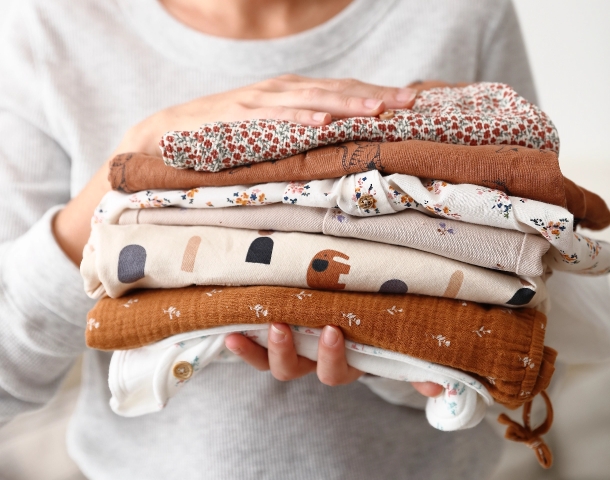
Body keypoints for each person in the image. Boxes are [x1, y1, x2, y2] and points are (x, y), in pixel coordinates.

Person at [0, 0, 549, 478]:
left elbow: (528, 292)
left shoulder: (461, 13)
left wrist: (399, 360)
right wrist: (134, 160)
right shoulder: (50, 28)